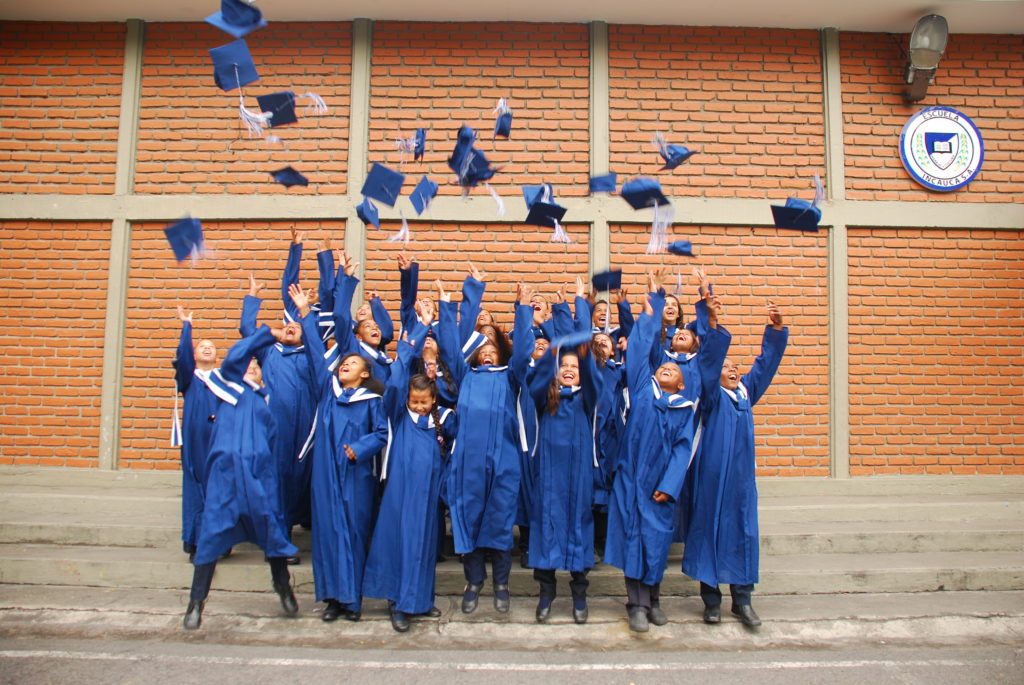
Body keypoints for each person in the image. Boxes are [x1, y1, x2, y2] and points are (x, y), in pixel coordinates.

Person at [604, 269, 728, 633]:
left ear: (683, 382)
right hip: (631, 479)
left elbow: (681, 451)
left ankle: (654, 599)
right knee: (632, 539)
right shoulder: (642, 390)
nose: (668, 367)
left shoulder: (682, 410)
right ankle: (636, 604)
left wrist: (672, 484)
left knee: (656, 541)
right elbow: (641, 350)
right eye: (665, 366)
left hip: (660, 485)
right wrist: (650, 309)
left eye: (674, 369)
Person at [183, 325, 300, 630]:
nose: (251, 366)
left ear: (263, 375)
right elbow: (236, 355)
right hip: (225, 478)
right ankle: (196, 603)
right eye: (248, 363)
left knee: (273, 536)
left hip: (259, 479)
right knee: (210, 537)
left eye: (256, 365)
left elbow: (272, 446)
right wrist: (269, 334)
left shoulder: (266, 403)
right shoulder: (226, 387)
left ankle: (283, 588)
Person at [682, 298, 788, 628]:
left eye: (735, 367)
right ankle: (711, 601)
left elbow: (765, 364)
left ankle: (742, 600)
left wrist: (774, 330)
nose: (732, 369)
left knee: (742, 534)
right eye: (726, 366)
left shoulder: (745, 394)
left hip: (740, 483)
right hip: (712, 479)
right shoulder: (711, 397)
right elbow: (709, 363)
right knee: (708, 533)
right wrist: (711, 323)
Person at [291, 283, 389, 623]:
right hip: (325, 474)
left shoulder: (371, 400)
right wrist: (305, 313)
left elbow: (381, 434)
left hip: (356, 475)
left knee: (355, 531)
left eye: (352, 362)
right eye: (343, 362)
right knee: (328, 533)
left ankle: (353, 600)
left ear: (364, 374)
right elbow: (317, 353)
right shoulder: (327, 390)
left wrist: (358, 450)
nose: (344, 364)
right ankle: (332, 598)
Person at [436, 281, 533, 615]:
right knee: (469, 520)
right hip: (468, 460)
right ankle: (474, 582)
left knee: (500, 521)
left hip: (503, 459)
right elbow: (449, 349)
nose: (488, 349)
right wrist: (447, 306)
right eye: (483, 347)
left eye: (493, 346)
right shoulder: (466, 376)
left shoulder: (510, 377)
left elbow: (523, 353)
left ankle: (502, 585)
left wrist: (522, 309)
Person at [363, 315, 457, 632]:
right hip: (401, 493)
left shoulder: (442, 420)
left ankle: (418, 601)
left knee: (425, 547)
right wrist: (420, 327)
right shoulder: (399, 415)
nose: (418, 406)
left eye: (423, 402)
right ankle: (397, 603)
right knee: (399, 543)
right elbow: (399, 371)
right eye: (414, 401)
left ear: (433, 399)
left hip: (429, 495)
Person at [526, 338, 603, 624]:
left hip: (578, 478)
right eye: (564, 365)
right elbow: (536, 379)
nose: (569, 369)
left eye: (575, 366)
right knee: (546, 528)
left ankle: (579, 596)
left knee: (578, 529)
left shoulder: (587, 399)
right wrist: (551, 357)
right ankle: (546, 594)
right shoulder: (545, 398)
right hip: (548, 477)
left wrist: (585, 358)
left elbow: (597, 380)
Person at [172, 305, 220, 561]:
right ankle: (196, 541)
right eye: (202, 345)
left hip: (218, 441)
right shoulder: (189, 379)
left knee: (217, 489)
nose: (207, 348)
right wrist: (186, 327)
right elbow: (182, 357)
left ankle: (216, 541)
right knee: (194, 489)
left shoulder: (224, 380)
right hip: (194, 444)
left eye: (211, 346)